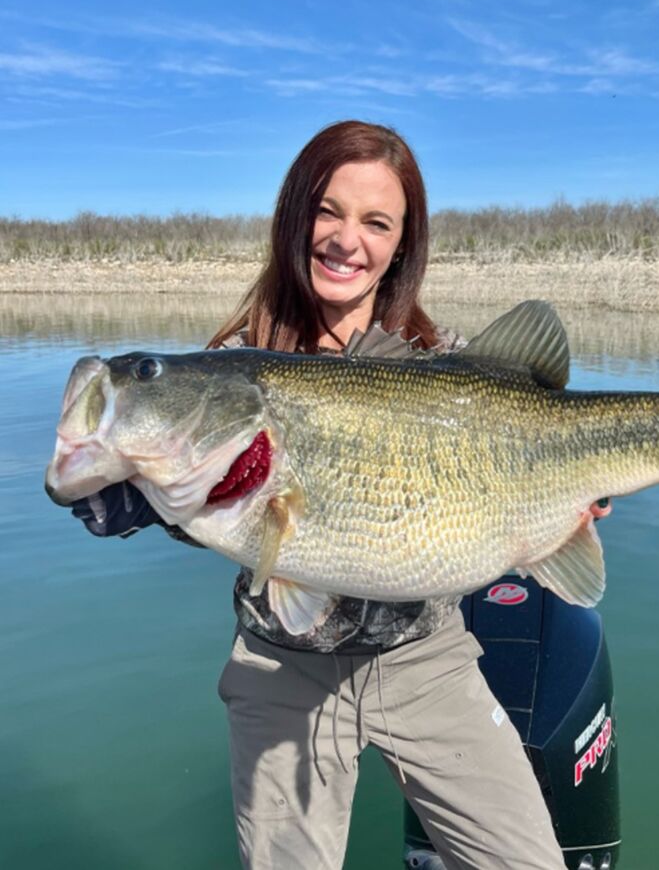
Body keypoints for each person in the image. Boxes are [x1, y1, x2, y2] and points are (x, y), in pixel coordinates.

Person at [72, 120, 611, 870]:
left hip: (428, 659)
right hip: (280, 668)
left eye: (376, 222)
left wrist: (568, 502)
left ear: (401, 244)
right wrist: (136, 493)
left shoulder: (444, 361)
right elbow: (230, 504)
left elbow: (510, 487)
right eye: (328, 211)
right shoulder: (234, 366)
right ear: (296, 216)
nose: (346, 239)